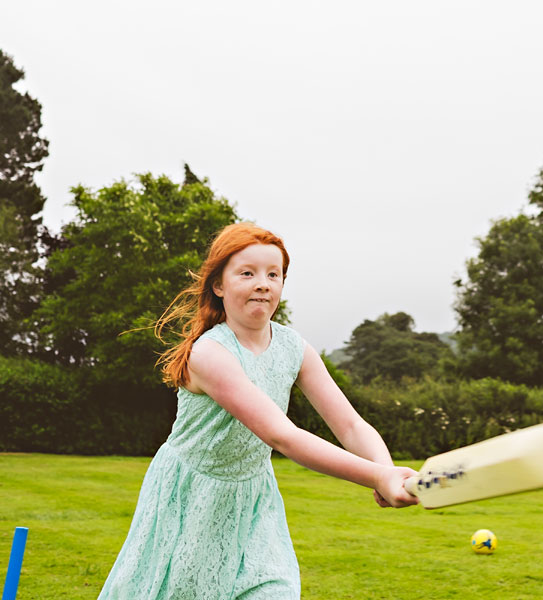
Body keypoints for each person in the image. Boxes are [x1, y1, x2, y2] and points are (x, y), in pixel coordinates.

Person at [98, 222, 418, 599]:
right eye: (247, 273)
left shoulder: (293, 347)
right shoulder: (210, 354)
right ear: (219, 285)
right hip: (192, 494)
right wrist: (376, 477)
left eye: (273, 274)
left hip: (254, 497)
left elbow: (349, 424)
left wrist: (385, 471)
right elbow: (280, 434)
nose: (263, 283)